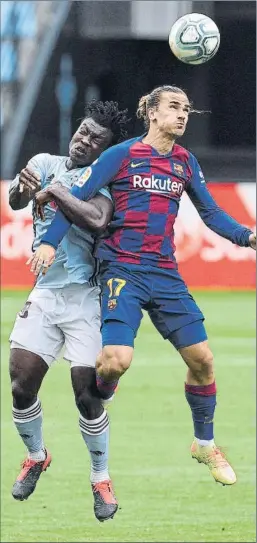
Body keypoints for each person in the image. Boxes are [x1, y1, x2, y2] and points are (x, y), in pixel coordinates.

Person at [29, 85, 256, 491]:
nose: (182, 114)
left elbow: (210, 212)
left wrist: (247, 237)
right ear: (151, 112)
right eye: (173, 106)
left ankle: (204, 443)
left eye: (187, 108)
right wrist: (48, 243)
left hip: (164, 272)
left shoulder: (185, 163)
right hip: (121, 270)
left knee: (203, 360)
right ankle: (102, 394)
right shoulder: (120, 155)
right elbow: (75, 196)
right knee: (115, 360)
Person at [9, 100, 130, 522]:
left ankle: (100, 478)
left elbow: (97, 221)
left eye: (96, 138)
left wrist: (57, 189)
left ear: (106, 149)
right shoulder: (45, 161)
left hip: (86, 298)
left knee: (86, 395)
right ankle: (36, 456)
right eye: (83, 130)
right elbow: (16, 201)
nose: (84, 140)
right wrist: (23, 189)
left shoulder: (104, 184)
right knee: (21, 386)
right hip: (46, 293)